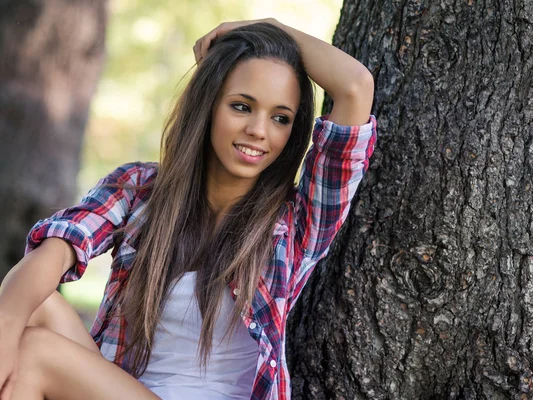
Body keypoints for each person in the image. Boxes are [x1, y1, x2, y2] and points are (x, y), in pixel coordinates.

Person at [0, 18, 376, 400]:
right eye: (242, 107)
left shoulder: (297, 223)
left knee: (35, 352)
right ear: (209, 105)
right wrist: (8, 319)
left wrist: (267, 27)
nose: (259, 131)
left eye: (280, 118)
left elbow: (354, 86)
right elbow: (58, 249)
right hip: (126, 389)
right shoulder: (140, 189)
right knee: (31, 300)